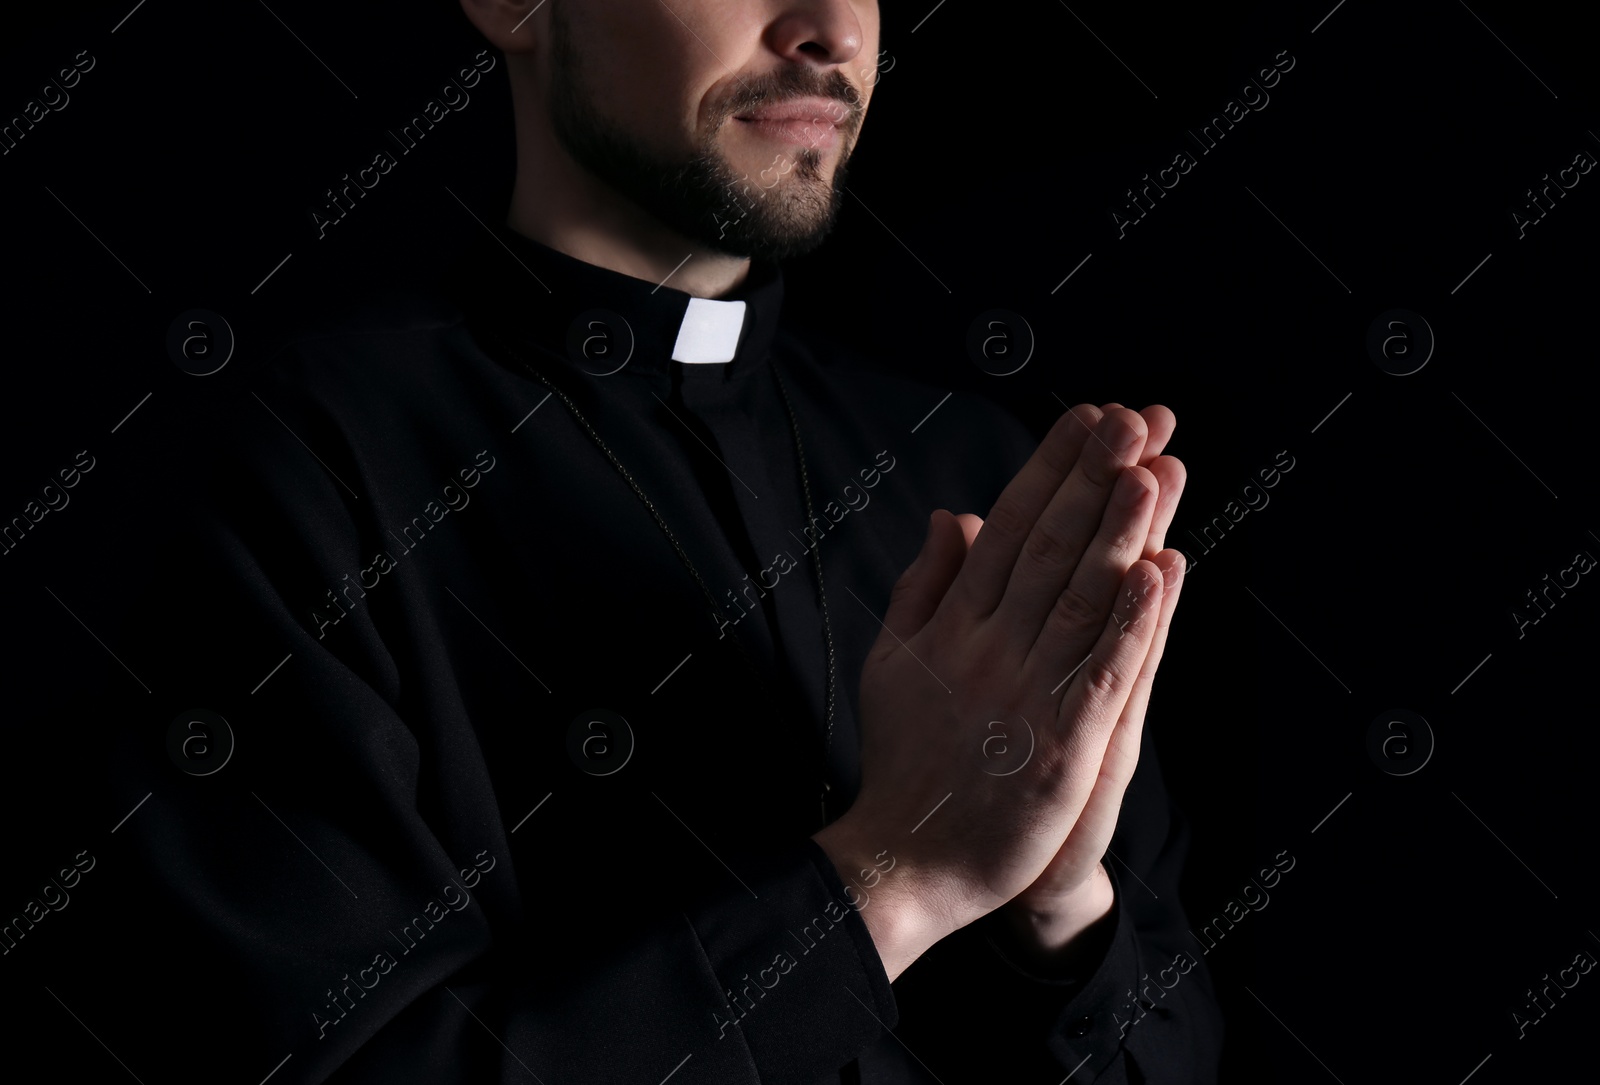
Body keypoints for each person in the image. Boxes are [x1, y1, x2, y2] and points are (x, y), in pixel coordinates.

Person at [63, 1, 1223, 1081]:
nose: (824, 30)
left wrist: (1060, 903)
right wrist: (897, 877)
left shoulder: (979, 469)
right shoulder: (283, 469)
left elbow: (1180, 1044)